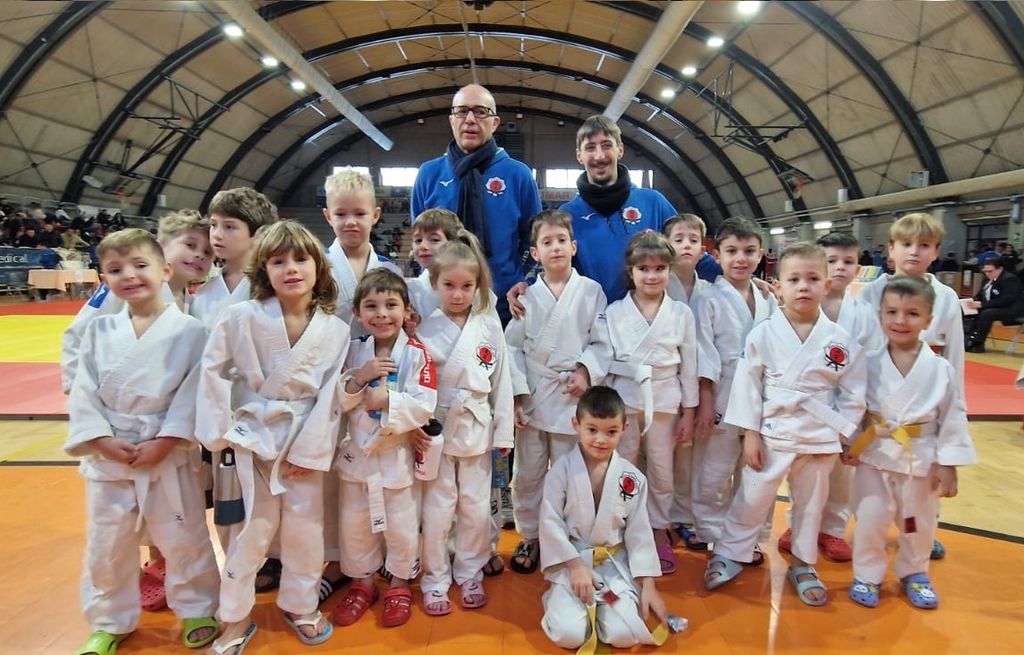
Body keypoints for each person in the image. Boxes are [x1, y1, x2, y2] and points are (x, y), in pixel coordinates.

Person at [64, 229, 220, 655]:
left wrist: (167, 440)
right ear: (104, 279)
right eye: (116, 270)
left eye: (140, 265)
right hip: (110, 455)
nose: (129, 275)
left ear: (165, 270)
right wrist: (99, 438)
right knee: (107, 544)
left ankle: (198, 608)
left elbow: (193, 392)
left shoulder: (191, 331)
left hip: (166, 454)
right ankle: (109, 620)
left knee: (184, 536)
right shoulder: (99, 330)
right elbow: (82, 390)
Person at [196, 221, 349, 652]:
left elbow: (331, 394)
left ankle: (301, 604)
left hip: (304, 438)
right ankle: (234, 617)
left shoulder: (335, 329)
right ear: (264, 270)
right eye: (278, 261)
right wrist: (218, 433)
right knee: (249, 531)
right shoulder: (241, 316)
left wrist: (311, 449)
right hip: (250, 437)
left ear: (319, 267)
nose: (291, 269)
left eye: (301, 259)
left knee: (305, 530)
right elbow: (212, 369)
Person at [704, 243, 866, 607]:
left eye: (813, 279)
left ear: (827, 284)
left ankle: (804, 563)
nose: (803, 286)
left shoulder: (839, 340)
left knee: (811, 504)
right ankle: (731, 551)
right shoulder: (763, 333)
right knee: (752, 496)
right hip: (772, 431)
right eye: (794, 279)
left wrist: (844, 434)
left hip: (819, 435)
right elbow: (747, 386)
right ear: (778, 286)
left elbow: (854, 392)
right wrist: (750, 435)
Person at [845, 276, 977, 609]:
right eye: (892, 312)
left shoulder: (940, 369)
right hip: (873, 455)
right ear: (880, 315)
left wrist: (949, 464)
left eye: (912, 314)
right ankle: (867, 574)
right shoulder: (866, 362)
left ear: (928, 321)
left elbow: (952, 416)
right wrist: (850, 442)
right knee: (870, 519)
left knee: (918, 522)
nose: (900, 321)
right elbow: (852, 406)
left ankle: (915, 572)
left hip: (920, 459)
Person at [504, 210, 612, 575]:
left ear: (574, 247)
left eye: (562, 241)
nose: (556, 248)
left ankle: (570, 536)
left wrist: (585, 370)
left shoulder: (592, 292)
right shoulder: (526, 297)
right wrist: (518, 395)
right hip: (535, 396)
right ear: (535, 253)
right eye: (547, 242)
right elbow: (512, 349)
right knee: (529, 472)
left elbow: (602, 342)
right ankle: (531, 536)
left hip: (572, 396)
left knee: (572, 472)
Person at [853, 212, 965, 559]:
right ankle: (860, 534)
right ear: (891, 249)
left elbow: (954, 353)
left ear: (936, 251)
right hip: (879, 397)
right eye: (906, 244)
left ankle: (922, 536)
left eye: (924, 245)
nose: (914, 251)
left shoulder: (945, 297)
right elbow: (858, 348)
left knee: (923, 481)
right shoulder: (871, 293)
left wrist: (954, 401)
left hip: (924, 400)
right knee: (871, 489)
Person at [415, 230, 514, 616]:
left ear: (478, 286)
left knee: (474, 507)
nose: (458, 294)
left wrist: (504, 432)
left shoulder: (489, 326)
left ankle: (470, 572)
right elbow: (416, 387)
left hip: (477, 429)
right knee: (438, 510)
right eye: (449, 285)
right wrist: (416, 431)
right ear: (434, 284)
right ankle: (435, 578)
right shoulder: (423, 329)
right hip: (437, 430)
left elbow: (501, 382)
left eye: (466, 286)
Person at [333, 270, 437, 629]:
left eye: (391, 305)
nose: (381, 314)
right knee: (355, 525)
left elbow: (425, 405)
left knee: (402, 527)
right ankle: (363, 584)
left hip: (395, 457)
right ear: (357, 313)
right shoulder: (353, 351)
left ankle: (399, 584)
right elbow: (338, 399)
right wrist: (360, 378)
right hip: (358, 457)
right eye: (371, 306)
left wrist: (388, 400)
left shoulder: (418, 353)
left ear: (407, 310)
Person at [538, 385, 669, 651]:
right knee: (569, 635)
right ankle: (559, 598)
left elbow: (639, 533)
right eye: (592, 430)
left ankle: (605, 608)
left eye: (611, 431)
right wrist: (575, 566)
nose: (601, 439)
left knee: (625, 636)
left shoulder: (632, 478)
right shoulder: (561, 471)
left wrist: (649, 585)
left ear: (624, 428)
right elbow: (550, 522)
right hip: (572, 563)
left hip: (612, 566)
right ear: (576, 424)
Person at [602, 231, 697, 575]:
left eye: (660, 268)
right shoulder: (614, 311)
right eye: (644, 269)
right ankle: (621, 523)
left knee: (661, 468)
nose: (652, 275)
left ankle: (658, 525)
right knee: (622, 464)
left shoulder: (681, 313)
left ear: (670, 270)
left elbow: (690, 365)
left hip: (665, 397)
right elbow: (604, 358)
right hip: (624, 397)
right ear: (631, 272)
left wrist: (690, 411)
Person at [411, 84, 542, 323]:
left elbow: (532, 239)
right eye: (462, 111)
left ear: (495, 122)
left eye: (480, 112)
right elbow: (420, 237)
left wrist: (516, 276)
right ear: (451, 120)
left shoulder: (518, 174)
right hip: (439, 306)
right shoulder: (429, 174)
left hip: (503, 304)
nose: (470, 120)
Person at [691, 218, 776, 552]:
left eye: (749, 251)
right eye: (732, 251)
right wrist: (705, 400)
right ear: (717, 255)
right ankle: (710, 532)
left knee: (756, 468)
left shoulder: (768, 298)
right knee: (714, 467)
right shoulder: (708, 298)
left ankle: (749, 536)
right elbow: (703, 352)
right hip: (722, 390)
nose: (740, 258)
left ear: (761, 255)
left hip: (762, 392)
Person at [778, 231, 861, 562]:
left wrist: (857, 420)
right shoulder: (792, 305)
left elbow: (867, 367)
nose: (839, 267)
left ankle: (834, 529)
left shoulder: (864, 311)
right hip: (803, 407)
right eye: (831, 260)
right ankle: (797, 525)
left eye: (848, 261)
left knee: (843, 474)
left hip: (846, 407)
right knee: (802, 474)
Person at [558, 115, 675, 303]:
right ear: (579, 156)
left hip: (646, 313)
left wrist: (723, 273)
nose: (599, 156)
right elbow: (551, 266)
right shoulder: (567, 214)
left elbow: (687, 251)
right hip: (590, 315)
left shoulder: (653, 202)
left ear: (620, 150)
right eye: (590, 148)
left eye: (606, 145)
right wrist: (526, 285)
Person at [662, 214, 712, 551]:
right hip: (662, 383)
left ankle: (683, 517)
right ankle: (655, 518)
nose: (686, 246)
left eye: (693, 240)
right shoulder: (655, 283)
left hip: (697, 384)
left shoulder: (711, 291)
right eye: (678, 239)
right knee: (656, 456)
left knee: (688, 456)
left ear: (703, 249)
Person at [323, 168, 401, 335]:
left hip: (378, 350)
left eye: (359, 214)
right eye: (340, 214)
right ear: (328, 216)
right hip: (329, 350)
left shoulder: (390, 269)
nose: (350, 222)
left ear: (375, 215)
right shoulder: (316, 265)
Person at [190, 187, 278, 331]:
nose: (217, 235)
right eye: (213, 225)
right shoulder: (203, 293)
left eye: (229, 227)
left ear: (259, 233)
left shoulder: (272, 285)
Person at [966, 257, 1024, 353]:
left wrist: (982, 304)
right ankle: (967, 338)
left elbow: (1006, 300)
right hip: (994, 306)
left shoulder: (1009, 279)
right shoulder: (987, 280)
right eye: (985, 271)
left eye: (990, 271)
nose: (987, 274)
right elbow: (980, 295)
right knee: (967, 310)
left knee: (987, 313)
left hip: (1012, 309)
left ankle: (978, 343)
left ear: (1000, 269)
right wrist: (971, 301)